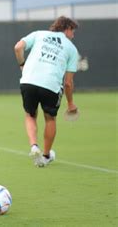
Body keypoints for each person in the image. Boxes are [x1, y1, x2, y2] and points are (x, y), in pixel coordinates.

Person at [14, 16, 79, 167]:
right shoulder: (71, 49)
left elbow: (18, 47)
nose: (73, 35)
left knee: (30, 115)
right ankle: (45, 156)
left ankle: (34, 146)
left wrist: (22, 64)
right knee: (50, 119)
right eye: (73, 31)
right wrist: (70, 104)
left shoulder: (39, 34)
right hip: (50, 85)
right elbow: (68, 83)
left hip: (28, 81)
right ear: (67, 29)